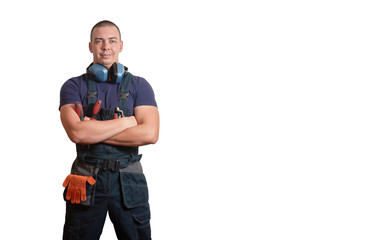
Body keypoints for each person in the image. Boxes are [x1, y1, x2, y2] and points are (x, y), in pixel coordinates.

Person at [59, 20, 159, 240]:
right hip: (86, 179)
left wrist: (92, 128)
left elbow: (150, 134)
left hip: (129, 182)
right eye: (99, 41)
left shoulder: (139, 85)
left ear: (121, 45)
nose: (106, 47)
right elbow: (77, 133)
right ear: (90, 46)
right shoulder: (73, 86)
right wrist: (128, 122)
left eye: (112, 41)